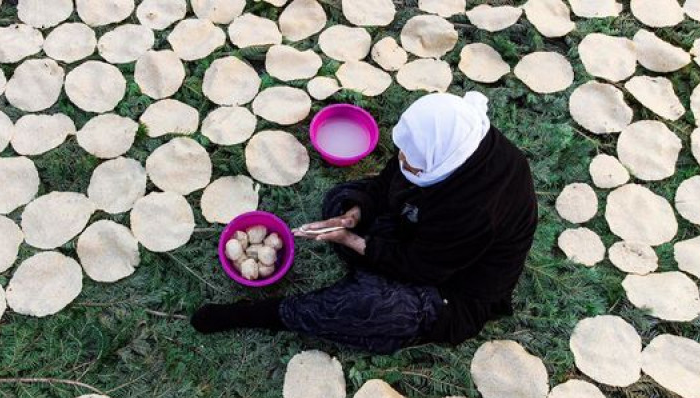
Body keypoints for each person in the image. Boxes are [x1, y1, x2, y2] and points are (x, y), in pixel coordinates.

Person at [191, 92, 538, 354]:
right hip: (422, 235)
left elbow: (424, 268)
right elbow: (390, 180)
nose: (401, 158)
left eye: (412, 159)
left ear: (441, 163)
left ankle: (264, 313)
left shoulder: (476, 211)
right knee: (343, 198)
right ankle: (369, 257)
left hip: (452, 287)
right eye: (403, 150)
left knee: (374, 307)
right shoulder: (450, 143)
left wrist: (352, 240)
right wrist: (354, 215)